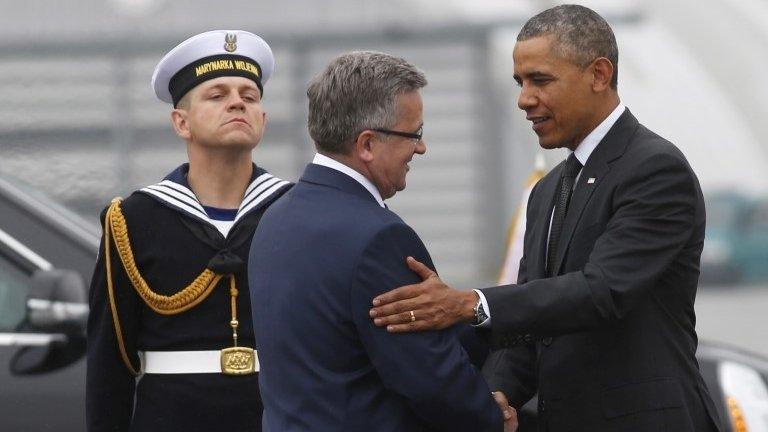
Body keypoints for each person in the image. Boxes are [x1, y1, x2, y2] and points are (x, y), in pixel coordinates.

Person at [368, 5, 724, 432]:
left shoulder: (655, 170)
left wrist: (469, 304)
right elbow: (531, 321)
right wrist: (496, 393)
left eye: (541, 80)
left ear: (599, 74)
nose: (524, 99)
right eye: (520, 82)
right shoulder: (547, 190)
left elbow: (602, 291)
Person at [248, 51, 517, 432]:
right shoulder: (378, 237)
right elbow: (427, 375)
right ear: (368, 144)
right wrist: (491, 417)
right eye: (414, 134)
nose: (420, 148)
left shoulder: (275, 218)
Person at [86, 30, 291, 431]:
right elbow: (109, 361)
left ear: (262, 120)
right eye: (217, 95)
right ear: (182, 122)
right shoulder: (134, 219)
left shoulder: (293, 211)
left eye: (249, 96)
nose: (237, 102)